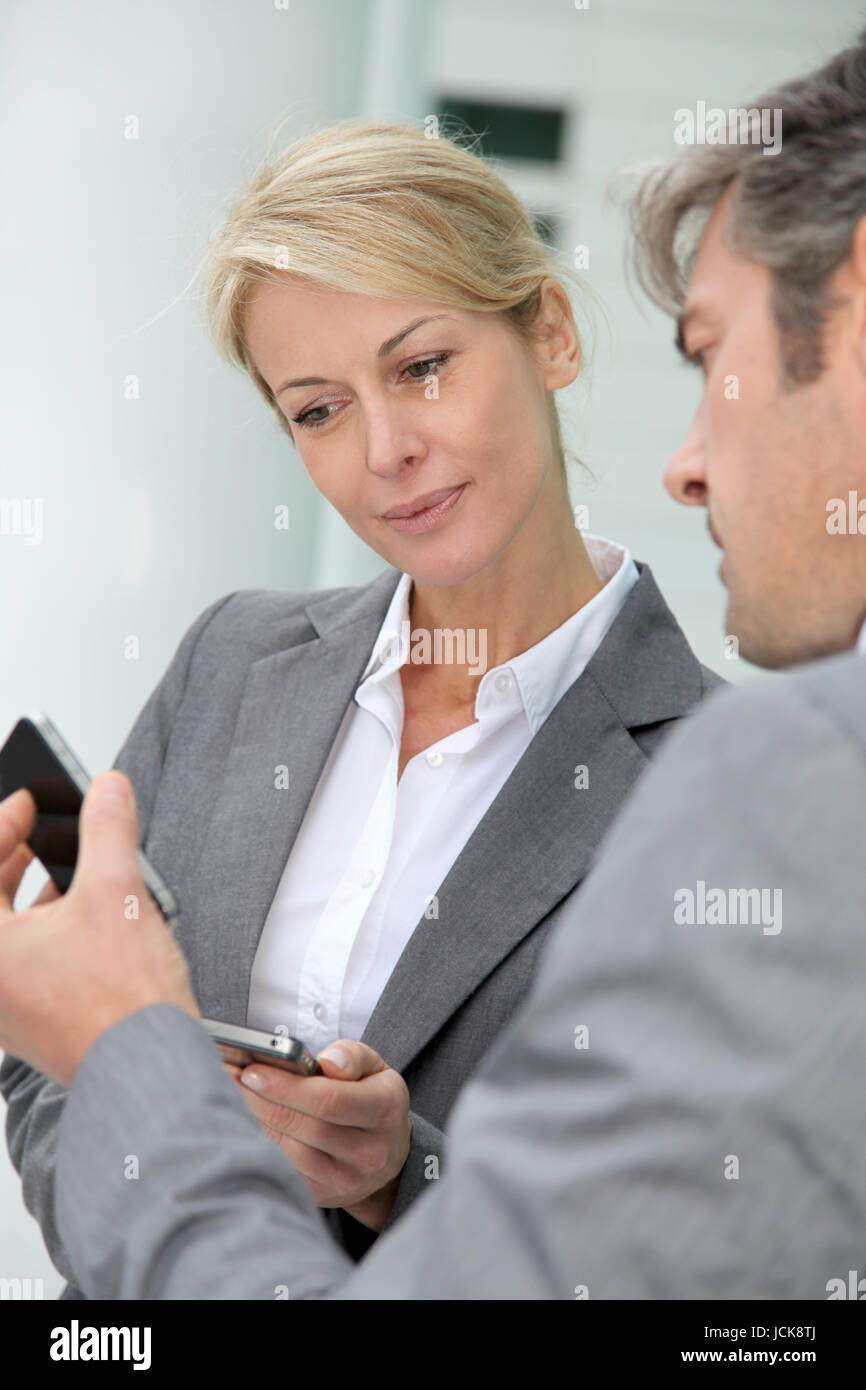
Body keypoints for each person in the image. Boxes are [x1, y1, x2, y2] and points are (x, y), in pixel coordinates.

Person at [3, 25, 865, 1300]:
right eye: (317, 408)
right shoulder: (231, 662)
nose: (384, 448)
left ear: (552, 337)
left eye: (421, 366)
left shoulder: (730, 789)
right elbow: (47, 1073)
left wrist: (401, 1172)